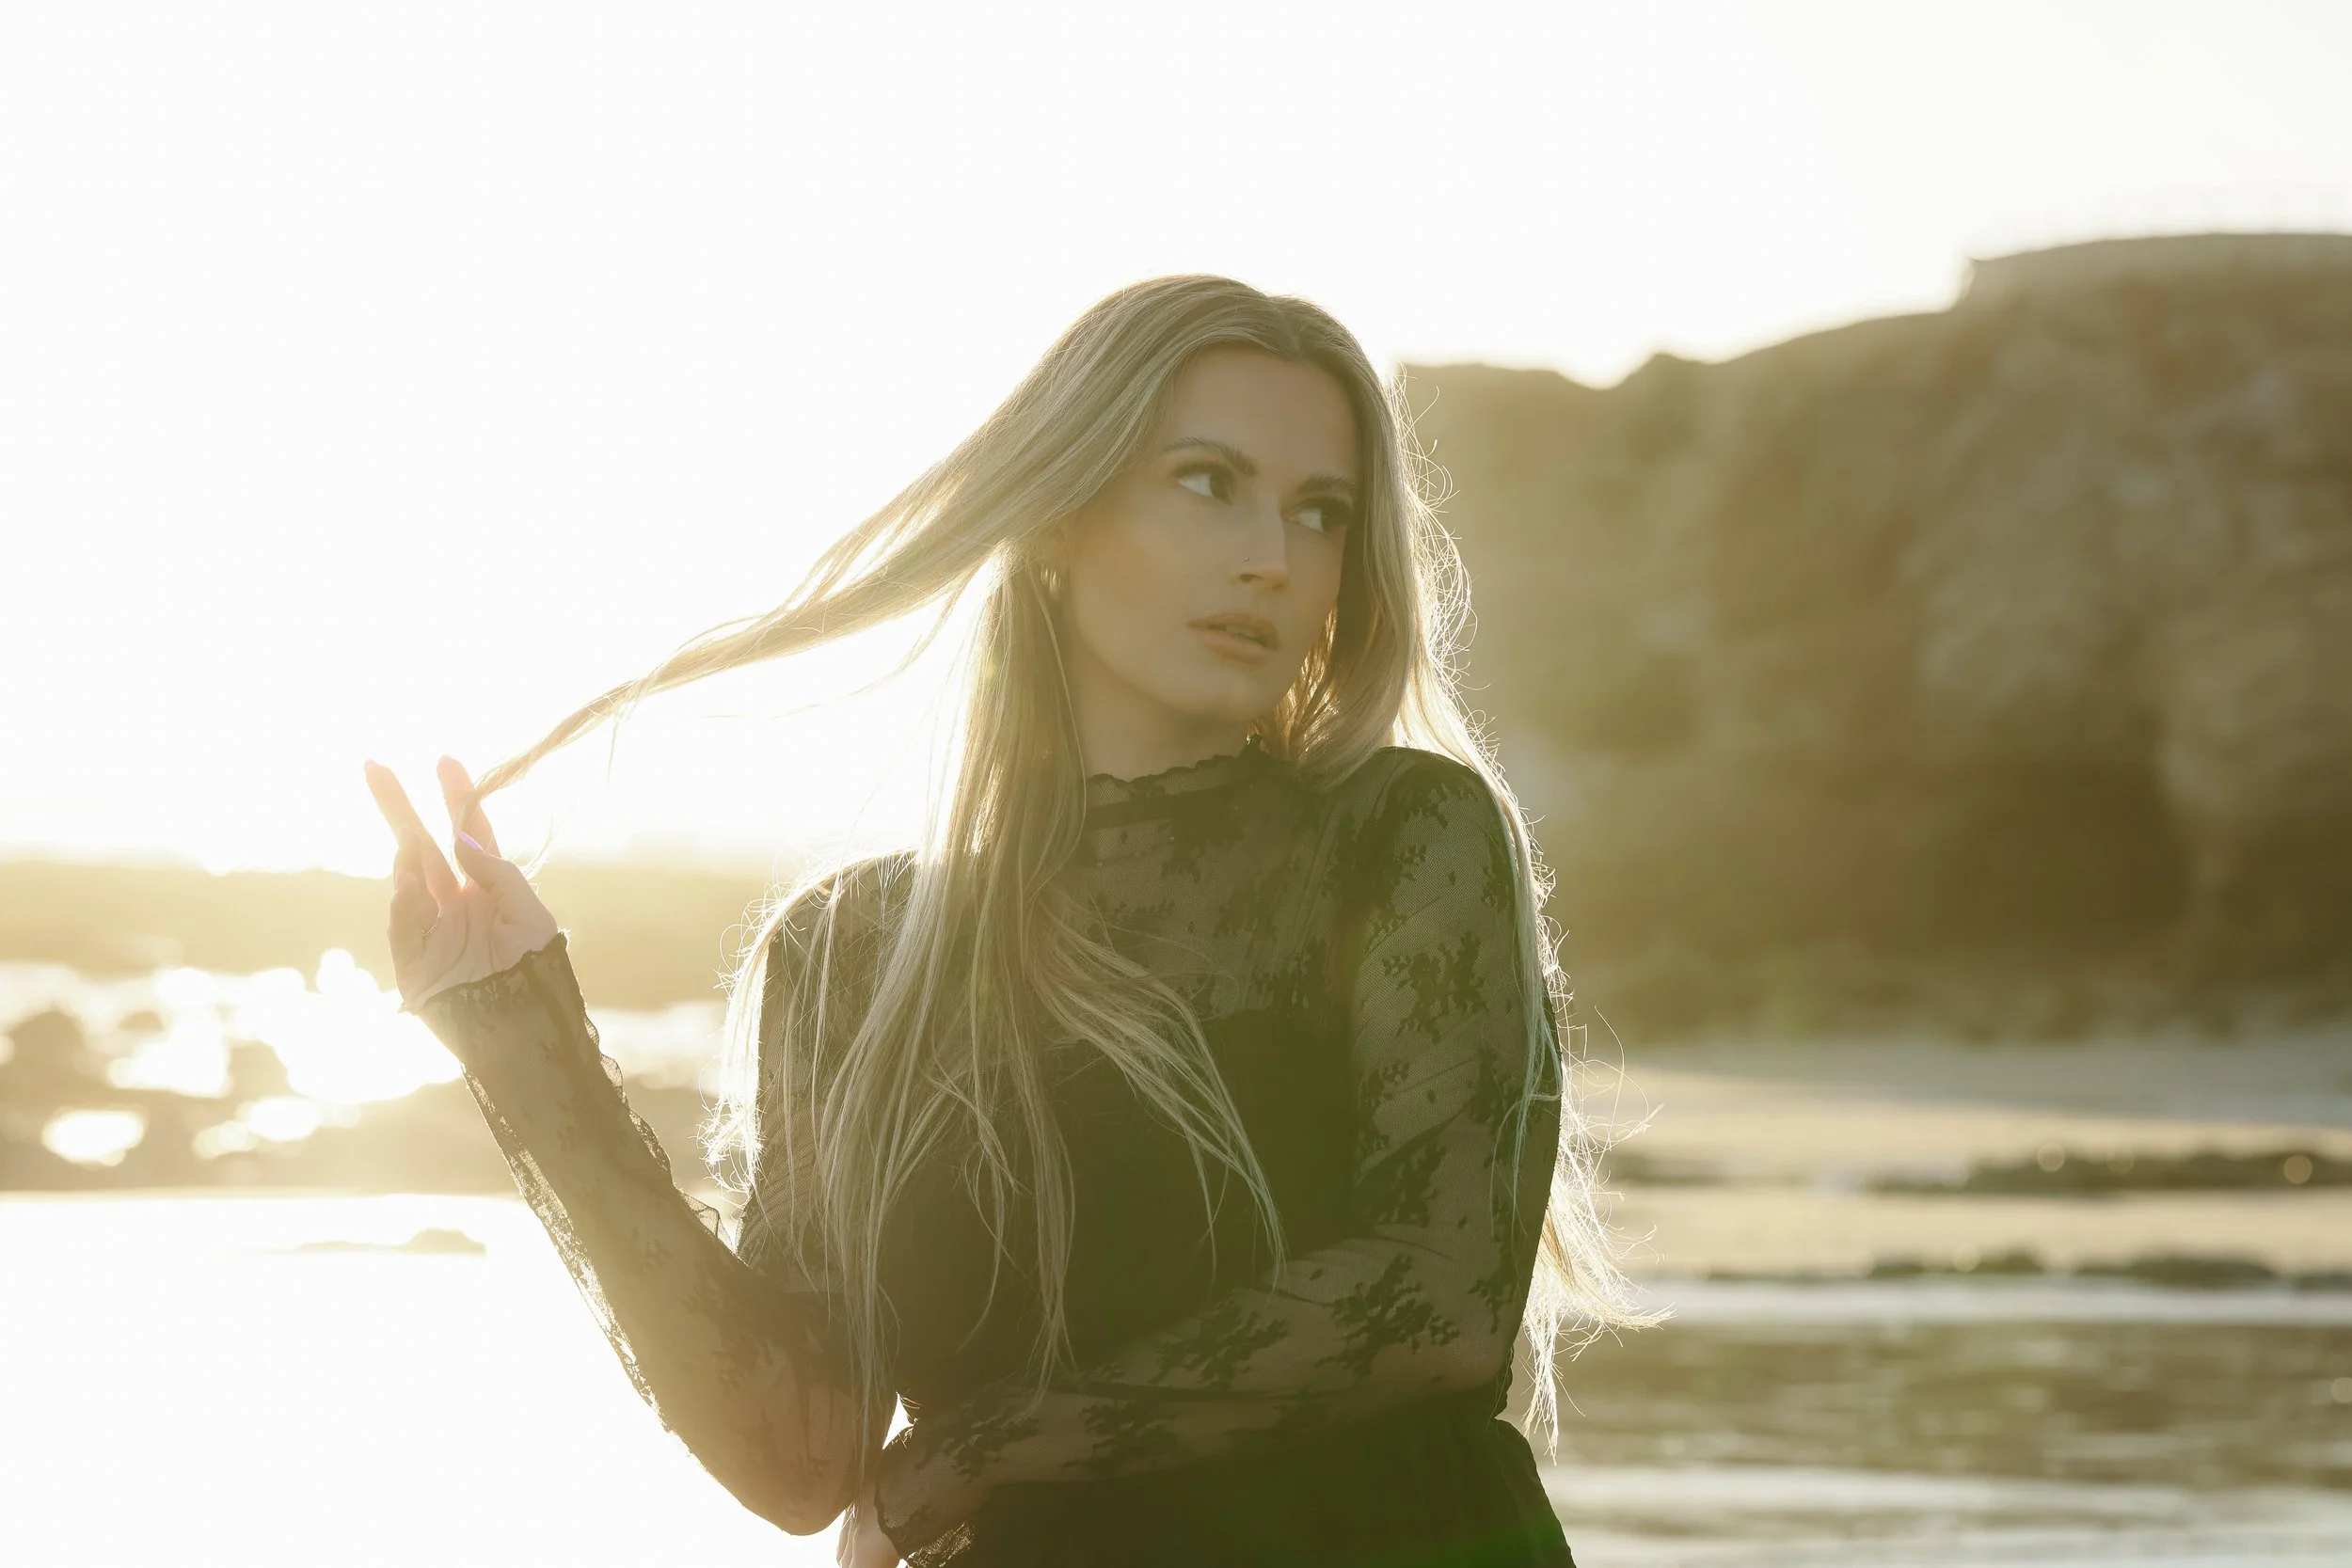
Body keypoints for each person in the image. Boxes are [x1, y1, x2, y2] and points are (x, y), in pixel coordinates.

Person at [363, 276, 1657, 1566]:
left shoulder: (1401, 835)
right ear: (1057, 516)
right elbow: (799, 1449)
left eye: (1321, 512)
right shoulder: (852, 950)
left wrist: (986, 1443)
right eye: (1210, 482)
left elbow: (1437, 1300)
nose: (1273, 553)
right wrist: (519, 1040)